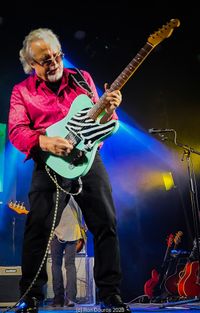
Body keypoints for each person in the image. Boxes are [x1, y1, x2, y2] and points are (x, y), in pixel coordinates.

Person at [8, 28, 131, 313]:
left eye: (57, 56)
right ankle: (32, 296)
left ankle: (110, 295)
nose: (54, 63)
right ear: (32, 65)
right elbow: (16, 130)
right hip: (48, 163)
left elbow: (101, 118)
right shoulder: (22, 92)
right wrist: (44, 141)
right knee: (37, 228)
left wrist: (111, 108)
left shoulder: (82, 78)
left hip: (88, 159)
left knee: (106, 224)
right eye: (45, 60)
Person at [50, 195, 85, 308]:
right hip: (73, 230)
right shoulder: (75, 191)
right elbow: (81, 210)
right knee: (70, 265)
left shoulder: (55, 191)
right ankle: (71, 299)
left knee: (56, 265)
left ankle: (57, 300)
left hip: (57, 231)